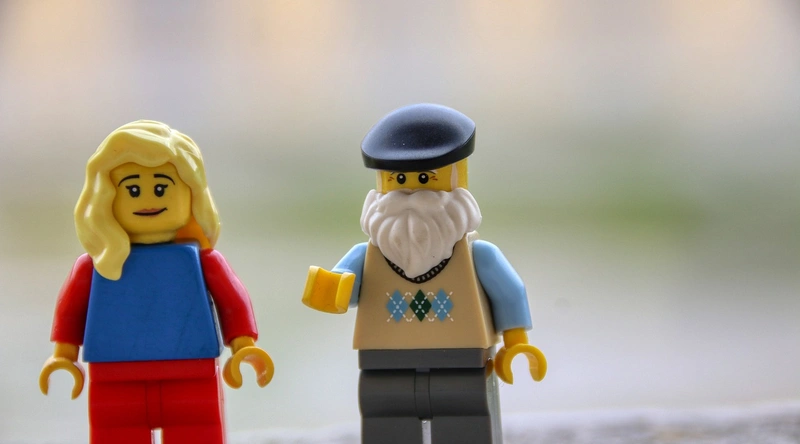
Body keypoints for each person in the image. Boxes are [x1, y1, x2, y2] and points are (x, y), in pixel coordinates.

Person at [302, 104, 546, 444]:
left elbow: (509, 291)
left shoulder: (477, 255)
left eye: (426, 178)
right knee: (387, 420)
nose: (412, 193)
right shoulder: (366, 256)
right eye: (399, 180)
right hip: (382, 362)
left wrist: (516, 342)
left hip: (464, 360)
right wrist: (331, 290)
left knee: (466, 420)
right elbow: (343, 290)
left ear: (457, 179)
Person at [39, 120, 273, 444]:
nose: (147, 199)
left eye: (161, 188)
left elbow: (232, 299)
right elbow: (72, 309)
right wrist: (64, 355)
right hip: (114, 378)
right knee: (117, 434)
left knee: (196, 432)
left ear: (190, 193)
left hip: (192, 374)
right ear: (106, 196)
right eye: (132, 190)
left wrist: (243, 346)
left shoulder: (202, 260)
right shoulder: (96, 266)